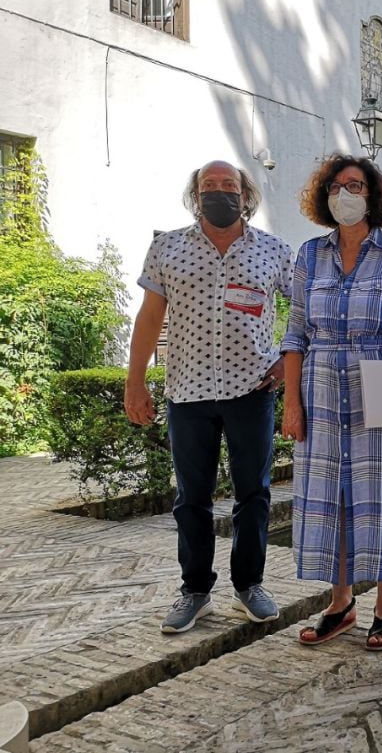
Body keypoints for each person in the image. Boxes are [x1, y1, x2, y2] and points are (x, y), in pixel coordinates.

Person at [125, 160, 293, 633]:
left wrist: (285, 359)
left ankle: (249, 586)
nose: (219, 192)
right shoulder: (167, 247)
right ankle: (195, 591)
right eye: (209, 186)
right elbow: (149, 317)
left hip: (251, 389)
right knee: (191, 497)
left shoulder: (274, 251)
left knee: (254, 494)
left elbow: (306, 307)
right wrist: (135, 381)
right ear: (195, 195)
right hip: (188, 391)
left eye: (229, 185)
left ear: (246, 194)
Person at [281, 154, 382, 649]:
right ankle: (340, 603)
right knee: (332, 498)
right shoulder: (309, 255)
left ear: (373, 196)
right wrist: (291, 403)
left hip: (381, 381)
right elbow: (295, 334)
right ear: (325, 196)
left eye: (356, 185)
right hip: (321, 389)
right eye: (337, 186)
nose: (346, 194)